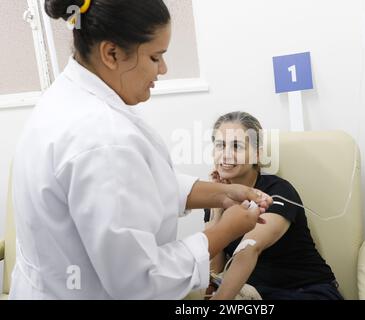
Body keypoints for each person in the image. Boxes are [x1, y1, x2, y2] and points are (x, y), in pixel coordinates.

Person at [9, 0, 272, 300]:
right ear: (111, 53)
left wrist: (219, 193)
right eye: (155, 56)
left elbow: (137, 186)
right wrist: (224, 232)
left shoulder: (70, 99)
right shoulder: (101, 138)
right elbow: (138, 280)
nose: (163, 69)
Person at [204, 112, 343, 300]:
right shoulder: (216, 198)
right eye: (220, 145)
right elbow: (215, 269)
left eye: (237, 146)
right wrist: (217, 210)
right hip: (257, 294)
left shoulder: (277, 192)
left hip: (307, 292)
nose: (226, 154)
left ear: (257, 154)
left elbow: (250, 248)